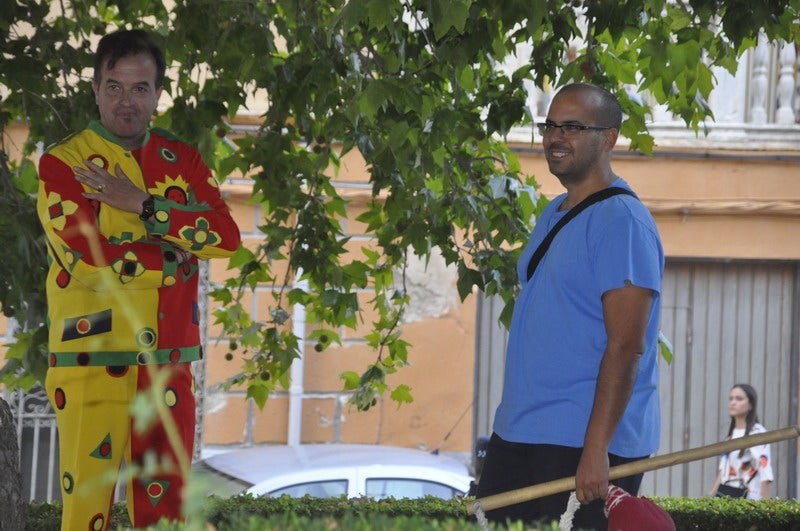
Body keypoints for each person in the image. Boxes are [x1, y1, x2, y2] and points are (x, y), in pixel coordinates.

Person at [36, 29, 241, 529]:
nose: (126, 101)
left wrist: (144, 206)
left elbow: (225, 237)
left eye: (139, 88)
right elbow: (88, 262)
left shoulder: (183, 160)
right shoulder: (64, 163)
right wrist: (175, 258)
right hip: (91, 358)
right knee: (86, 513)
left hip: (168, 361)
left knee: (167, 515)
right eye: (114, 87)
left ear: (158, 93)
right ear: (95, 90)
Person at [474, 83, 664, 530]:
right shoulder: (554, 211)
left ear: (609, 138)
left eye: (573, 127)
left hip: (581, 443)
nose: (556, 137)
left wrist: (596, 450)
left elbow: (626, 346)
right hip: (521, 430)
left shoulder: (623, 221)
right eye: (551, 126)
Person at [708, 384, 773, 499]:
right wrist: (708, 499)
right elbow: (723, 473)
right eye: (731, 398)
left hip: (749, 501)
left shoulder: (757, 433)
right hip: (727, 498)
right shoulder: (731, 435)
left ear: (751, 404)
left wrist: (766, 506)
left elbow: (765, 473)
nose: (733, 402)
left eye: (739, 399)